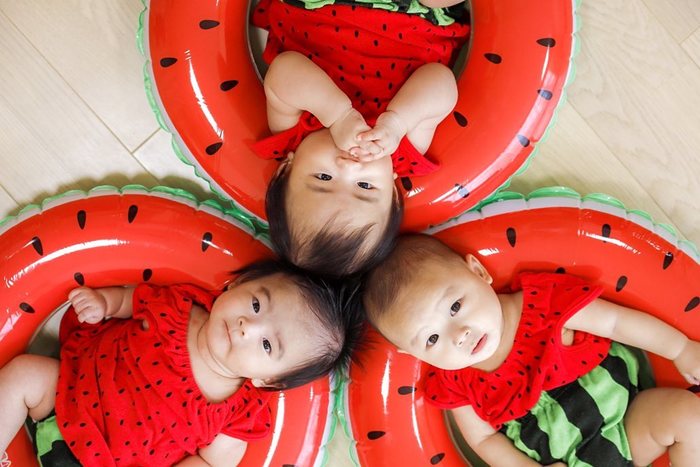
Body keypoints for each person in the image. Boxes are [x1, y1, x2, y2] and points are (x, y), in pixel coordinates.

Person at [363, 234, 700, 466]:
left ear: (478, 272)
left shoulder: (542, 302)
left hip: (629, 420)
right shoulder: (454, 383)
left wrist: (680, 348)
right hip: (566, 462)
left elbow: (615, 323)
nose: (460, 334)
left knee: (688, 416)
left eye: (454, 307)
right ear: (411, 354)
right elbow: (484, 442)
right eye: (431, 340)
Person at [0, 260, 360, 466]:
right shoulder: (180, 305)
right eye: (255, 305)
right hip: (66, 396)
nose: (247, 328)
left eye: (267, 345)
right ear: (239, 284)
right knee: (24, 374)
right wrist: (105, 304)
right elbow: (133, 300)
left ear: (269, 381)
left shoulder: (241, 412)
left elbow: (208, 463)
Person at [251, 0, 470, 277]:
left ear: (287, 167)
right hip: (416, 14)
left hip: (317, 7)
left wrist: (336, 114)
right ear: (392, 191)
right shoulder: (403, 152)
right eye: (365, 186)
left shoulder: (292, 135)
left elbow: (283, 70)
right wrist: (398, 121)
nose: (349, 166)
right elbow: (441, 81)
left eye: (323, 178)